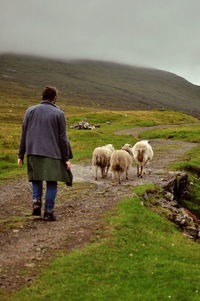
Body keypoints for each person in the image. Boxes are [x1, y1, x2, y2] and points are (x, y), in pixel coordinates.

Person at [18, 86, 73, 221]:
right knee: (51, 182)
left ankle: (36, 207)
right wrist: (66, 158)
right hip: (52, 154)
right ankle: (48, 212)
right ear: (54, 98)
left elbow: (23, 134)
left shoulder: (30, 111)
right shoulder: (59, 113)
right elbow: (62, 138)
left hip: (33, 152)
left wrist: (21, 155)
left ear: (42, 97)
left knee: (36, 179)